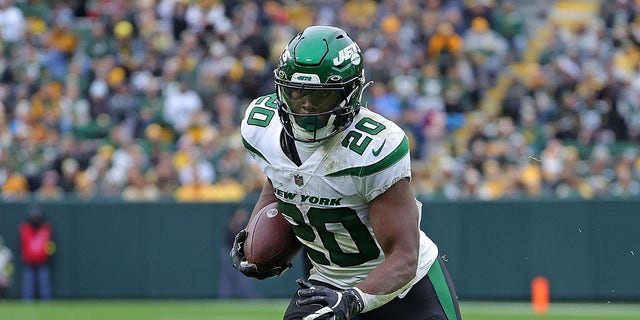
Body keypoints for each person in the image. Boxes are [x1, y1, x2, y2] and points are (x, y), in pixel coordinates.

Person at [231, 25, 462, 320]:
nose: (306, 108)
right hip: (326, 284)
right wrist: (254, 238)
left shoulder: (373, 147)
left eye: (320, 98)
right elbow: (279, 177)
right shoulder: (261, 127)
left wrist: (353, 299)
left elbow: (405, 257)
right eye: (297, 93)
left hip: (406, 291)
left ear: (350, 94)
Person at [217, 206, 260, 299]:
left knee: (241, 276)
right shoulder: (233, 224)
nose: (244, 215)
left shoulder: (241, 225)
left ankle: (249, 295)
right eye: (241, 214)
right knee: (232, 277)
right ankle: (226, 297)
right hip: (230, 252)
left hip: (236, 253)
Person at [19, 206, 54, 300]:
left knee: (44, 282)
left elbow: (50, 244)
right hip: (29, 261)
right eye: (34, 217)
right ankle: (27, 300)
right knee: (28, 283)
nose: (35, 219)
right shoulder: (25, 229)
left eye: (37, 217)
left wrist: (49, 255)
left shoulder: (46, 229)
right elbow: (21, 244)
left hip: (43, 261)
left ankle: (46, 300)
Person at [0, 235, 13, 299]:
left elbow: (9, 266)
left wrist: (7, 275)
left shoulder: (6, 252)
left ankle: (3, 299)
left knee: (4, 281)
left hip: (3, 275)